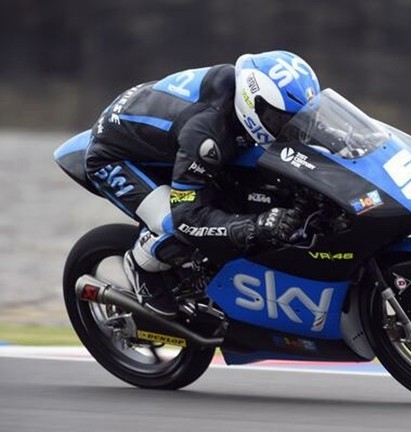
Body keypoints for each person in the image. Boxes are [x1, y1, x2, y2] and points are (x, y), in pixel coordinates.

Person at [84, 50, 320, 318]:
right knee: (174, 227)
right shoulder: (206, 134)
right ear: (252, 105)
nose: (292, 128)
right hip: (113, 155)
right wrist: (254, 226)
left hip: (165, 137)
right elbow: (187, 217)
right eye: (281, 120)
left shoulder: (241, 102)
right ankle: (141, 266)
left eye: (301, 119)